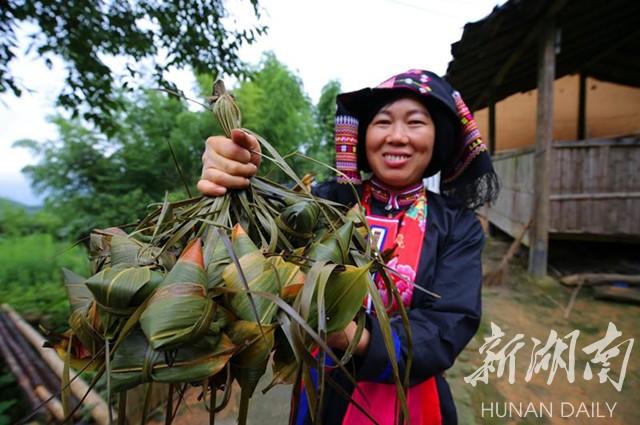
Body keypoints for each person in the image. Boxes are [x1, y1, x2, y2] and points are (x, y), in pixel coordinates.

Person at [198, 69, 499, 425]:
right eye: (383, 122)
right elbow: (257, 250)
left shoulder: (456, 224)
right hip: (322, 392)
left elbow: (449, 322)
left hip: (408, 397)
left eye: (416, 122)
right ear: (363, 135)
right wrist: (238, 178)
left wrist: (350, 335)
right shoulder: (328, 201)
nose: (397, 136)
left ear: (439, 138)